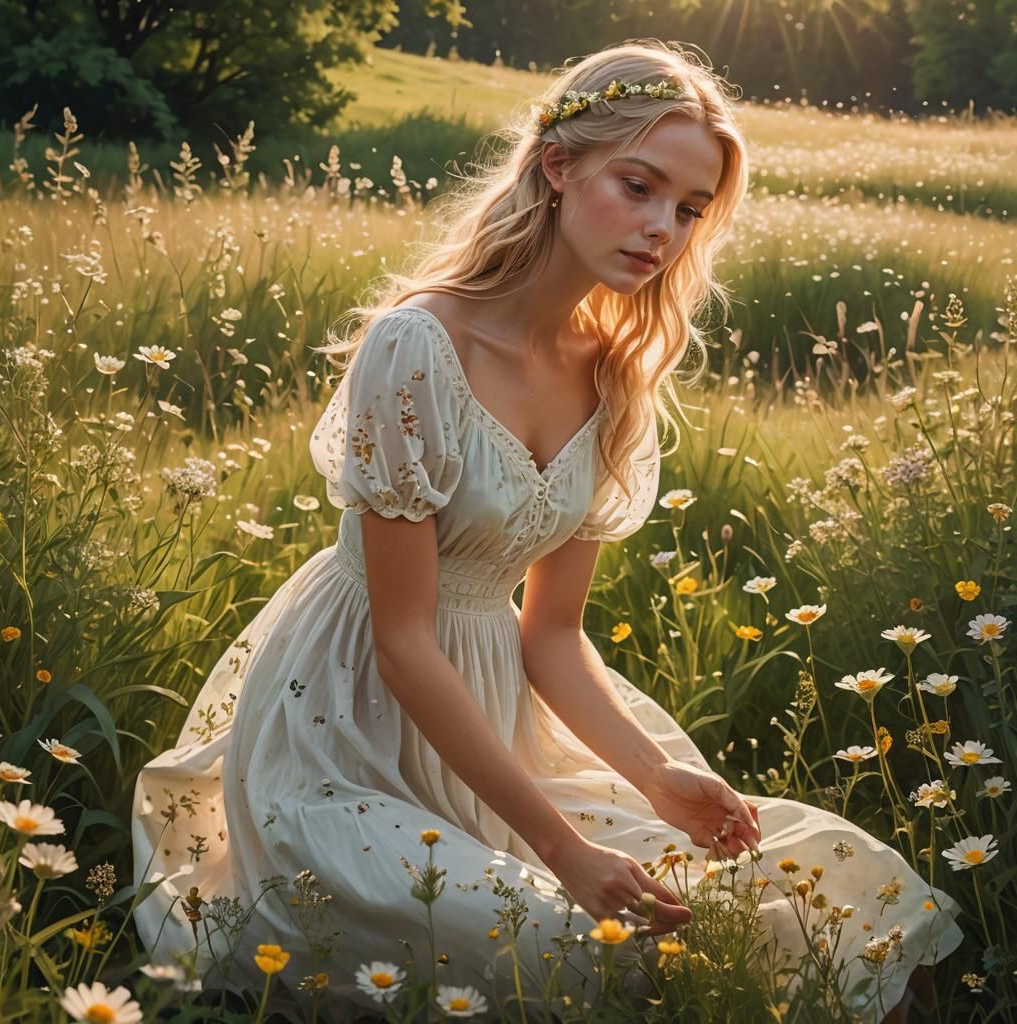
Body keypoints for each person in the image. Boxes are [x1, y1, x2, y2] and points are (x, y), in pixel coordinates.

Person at [131, 38, 964, 1023]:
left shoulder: (615, 374)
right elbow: (402, 644)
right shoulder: (419, 345)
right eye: (639, 185)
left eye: (689, 209)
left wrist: (654, 776)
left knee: (826, 883)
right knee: (564, 945)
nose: (662, 227)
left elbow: (550, 633)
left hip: (504, 724)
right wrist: (562, 850)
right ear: (559, 166)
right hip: (347, 730)